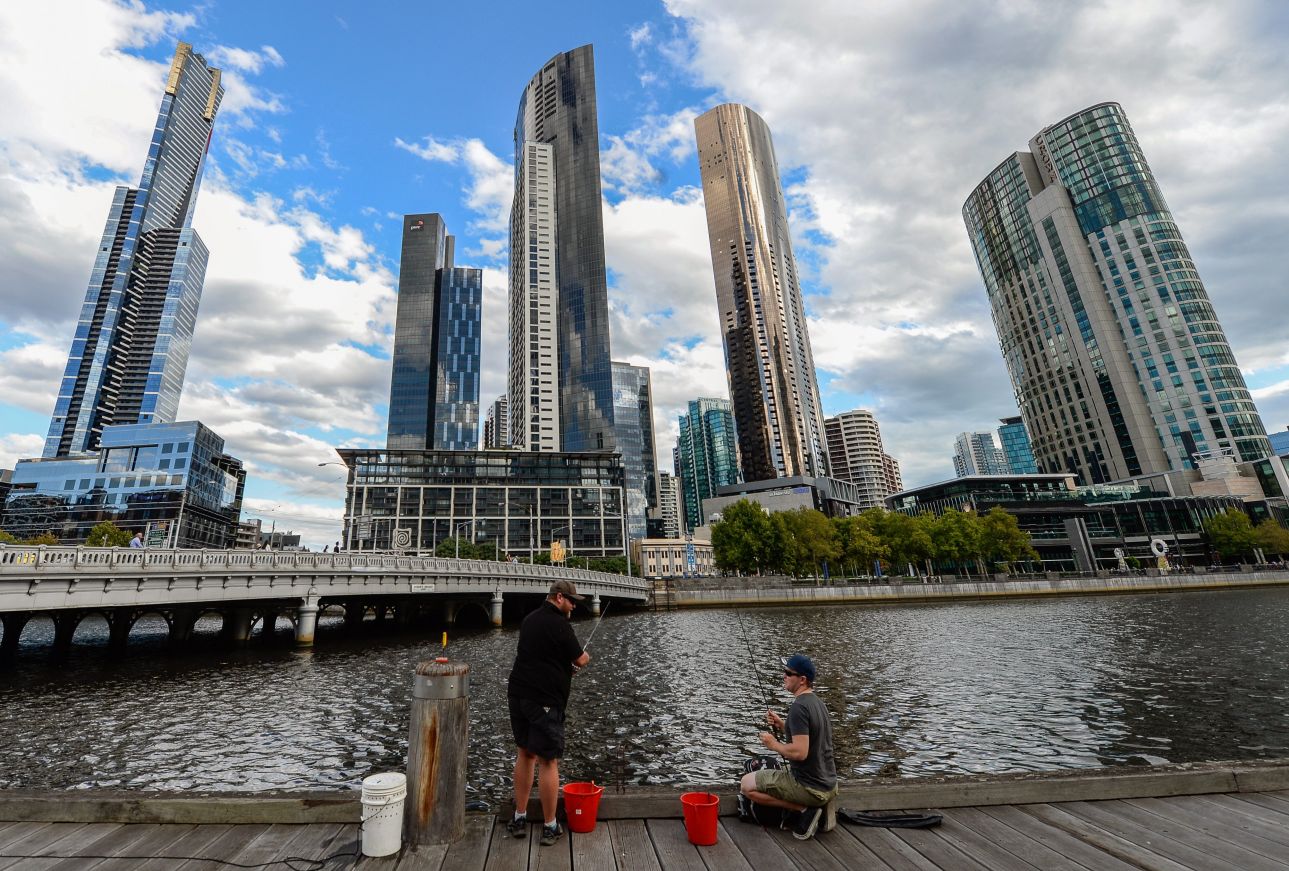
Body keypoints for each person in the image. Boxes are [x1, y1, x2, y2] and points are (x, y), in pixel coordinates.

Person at [506, 579, 591, 846]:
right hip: (544, 701)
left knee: (524, 753)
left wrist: (563, 667)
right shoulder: (559, 624)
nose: (574, 606)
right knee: (548, 760)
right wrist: (582, 661)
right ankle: (550, 825)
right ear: (559, 598)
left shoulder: (529, 619)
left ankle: (519, 817)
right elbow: (580, 659)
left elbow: (543, 655)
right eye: (571, 601)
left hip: (518, 694)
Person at [740, 653, 838, 840]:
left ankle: (805, 809)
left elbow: (800, 753)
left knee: (746, 785)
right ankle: (818, 806)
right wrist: (782, 725)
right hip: (828, 784)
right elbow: (810, 738)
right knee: (770, 773)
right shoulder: (817, 703)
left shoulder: (799, 708)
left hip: (810, 787)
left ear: (802, 680)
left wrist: (773, 744)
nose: (784, 676)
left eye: (788, 673)